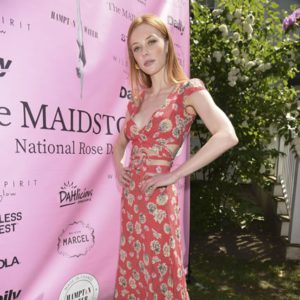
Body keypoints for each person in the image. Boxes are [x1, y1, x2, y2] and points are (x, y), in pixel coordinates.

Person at [113, 14, 238, 300]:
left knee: (160, 272)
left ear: (168, 45)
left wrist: (175, 173)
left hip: (159, 200)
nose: (144, 52)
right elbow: (118, 145)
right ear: (132, 58)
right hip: (132, 200)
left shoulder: (188, 90)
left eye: (151, 42)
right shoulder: (137, 101)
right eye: (136, 48)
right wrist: (118, 165)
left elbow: (226, 134)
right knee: (134, 268)